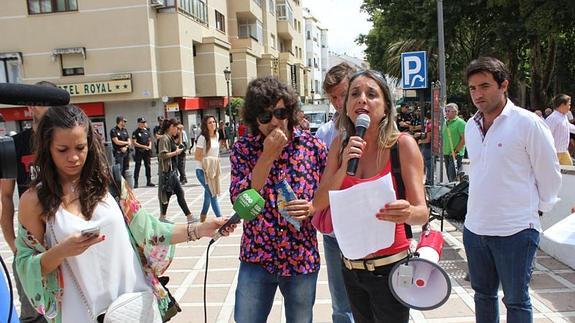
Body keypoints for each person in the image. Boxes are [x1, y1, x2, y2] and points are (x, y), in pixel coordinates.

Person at [14, 105, 235, 323]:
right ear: (47, 148)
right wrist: (62, 251)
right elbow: (25, 265)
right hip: (79, 312)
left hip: (133, 308)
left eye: (80, 148)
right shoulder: (34, 201)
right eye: (63, 149)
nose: (73, 157)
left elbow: (151, 231)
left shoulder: (109, 183)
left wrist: (200, 229)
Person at [312, 70, 428, 323]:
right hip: (351, 268)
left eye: (371, 94)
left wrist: (407, 212)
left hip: (392, 269)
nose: (361, 99)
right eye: (355, 94)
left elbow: (422, 213)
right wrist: (343, 167)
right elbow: (318, 203)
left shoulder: (403, 145)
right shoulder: (340, 146)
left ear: (386, 107)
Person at [463, 57, 562, 323]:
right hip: (475, 229)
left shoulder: (528, 123)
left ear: (503, 84)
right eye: (472, 88)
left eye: (484, 86)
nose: (478, 94)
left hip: (516, 231)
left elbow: (550, 175)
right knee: (483, 295)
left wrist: (537, 211)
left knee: (516, 300)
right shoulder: (471, 126)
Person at [230, 76, 327, 323]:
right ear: (254, 119)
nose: (274, 122)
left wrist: (314, 206)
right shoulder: (244, 148)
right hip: (257, 256)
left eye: (280, 113)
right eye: (265, 117)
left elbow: (331, 190)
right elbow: (242, 204)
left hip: (300, 256)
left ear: (291, 111)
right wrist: (266, 157)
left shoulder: (312, 146)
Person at [1, 81, 55, 323]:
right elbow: (5, 196)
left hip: (62, 238)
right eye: (45, 102)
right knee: (33, 314)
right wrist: (13, 242)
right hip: (29, 243)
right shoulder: (15, 145)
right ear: (31, 106)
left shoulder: (64, 142)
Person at [314, 62, 356, 323]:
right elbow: (320, 182)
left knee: (376, 300)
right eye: (333, 97)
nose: (339, 102)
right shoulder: (325, 133)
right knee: (341, 304)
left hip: (368, 230)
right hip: (334, 231)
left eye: (344, 94)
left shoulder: (378, 130)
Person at [157, 118, 195, 223]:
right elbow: (162, 154)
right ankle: (188, 216)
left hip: (172, 170)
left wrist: (179, 145)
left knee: (172, 194)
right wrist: (176, 153)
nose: (177, 131)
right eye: (176, 128)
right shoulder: (164, 138)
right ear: (171, 127)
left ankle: (164, 217)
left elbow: (179, 143)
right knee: (175, 193)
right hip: (167, 172)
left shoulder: (170, 138)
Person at [194, 115, 223, 222]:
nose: (212, 124)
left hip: (212, 171)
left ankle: (202, 217)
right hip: (202, 171)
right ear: (205, 125)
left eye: (214, 122)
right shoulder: (202, 138)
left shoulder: (217, 135)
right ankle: (220, 219)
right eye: (210, 122)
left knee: (208, 195)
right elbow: (197, 156)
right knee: (213, 194)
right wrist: (210, 161)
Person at [545, 94, 575, 166]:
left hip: (563, 151)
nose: (569, 107)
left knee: (569, 168)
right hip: (554, 152)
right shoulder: (553, 118)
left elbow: (569, 127)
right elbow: (546, 134)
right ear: (562, 105)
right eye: (569, 104)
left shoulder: (563, 116)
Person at [442, 103, 466, 182]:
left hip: (455, 154)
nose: (446, 113)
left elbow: (464, 139)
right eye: (446, 111)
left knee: (453, 178)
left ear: (455, 112)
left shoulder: (461, 123)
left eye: (448, 111)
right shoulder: (446, 123)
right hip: (446, 153)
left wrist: (456, 152)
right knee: (450, 177)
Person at [132, 117, 155, 188]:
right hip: (139, 151)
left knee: (148, 166)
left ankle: (149, 181)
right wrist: (143, 146)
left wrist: (150, 146)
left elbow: (150, 140)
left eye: (144, 122)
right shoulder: (135, 132)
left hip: (146, 152)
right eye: (142, 122)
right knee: (137, 166)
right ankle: (136, 182)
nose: (143, 124)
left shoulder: (146, 131)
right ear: (138, 123)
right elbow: (134, 143)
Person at [416, 109, 433, 184]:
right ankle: (429, 179)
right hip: (430, 147)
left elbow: (428, 139)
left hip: (428, 147)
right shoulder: (432, 124)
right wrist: (420, 134)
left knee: (427, 164)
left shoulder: (429, 125)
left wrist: (420, 141)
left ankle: (429, 180)